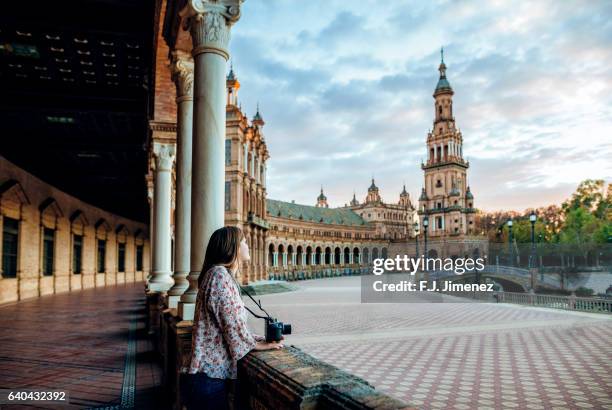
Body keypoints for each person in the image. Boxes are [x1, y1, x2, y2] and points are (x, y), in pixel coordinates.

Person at [180, 226, 283, 409]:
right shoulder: (220, 276)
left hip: (207, 378)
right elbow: (232, 329)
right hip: (208, 379)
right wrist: (257, 344)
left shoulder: (218, 275)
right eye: (243, 241)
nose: (247, 245)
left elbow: (227, 325)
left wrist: (258, 339)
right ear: (233, 247)